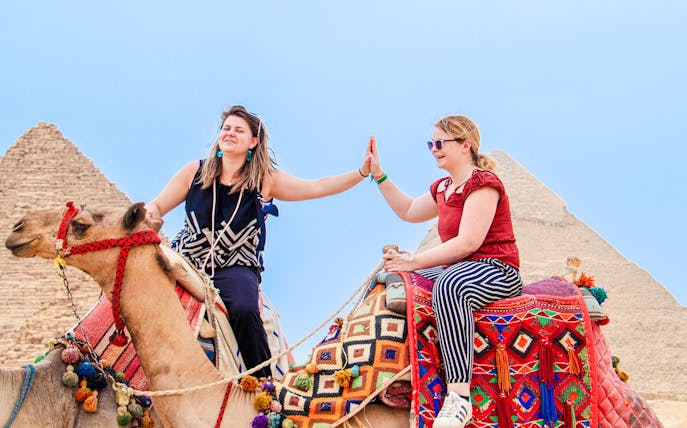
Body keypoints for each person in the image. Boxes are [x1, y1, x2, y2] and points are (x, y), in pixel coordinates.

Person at [146, 105, 372, 378]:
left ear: (253, 141)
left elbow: (317, 186)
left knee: (243, 307)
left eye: (238, 130)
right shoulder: (194, 172)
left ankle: (264, 385)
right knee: (140, 288)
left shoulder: (265, 180)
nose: (230, 133)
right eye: (226, 128)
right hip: (186, 259)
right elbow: (158, 206)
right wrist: (146, 215)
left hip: (235, 266)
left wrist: (361, 172)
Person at [367, 115, 522, 428]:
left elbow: (468, 242)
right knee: (393, 280)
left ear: (465, 146)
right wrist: (379, 175)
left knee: (450, 286)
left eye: (440, 143)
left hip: (495, 269)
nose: (433, 150)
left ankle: (458, 397)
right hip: (461, 267)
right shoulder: (444, 188)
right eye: (431, 144)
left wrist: (415, 260)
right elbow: (409, 210)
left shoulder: (483, 184)